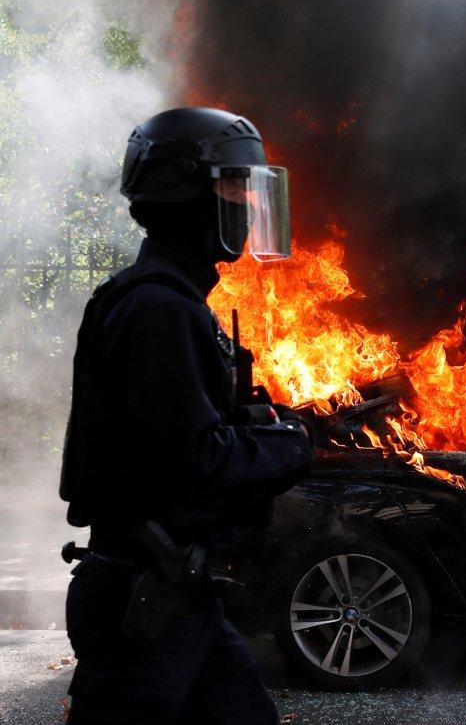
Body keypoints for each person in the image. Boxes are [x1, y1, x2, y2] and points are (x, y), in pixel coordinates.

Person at [58, 107, 313, 724]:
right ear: (189, 198)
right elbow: (194, 459)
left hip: (177, 594)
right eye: (233, 188)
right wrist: (292, 444)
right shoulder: (160, 311)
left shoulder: (163, 301)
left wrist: (253, 424)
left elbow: (179, 427)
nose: (248, 209)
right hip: (144, 601)